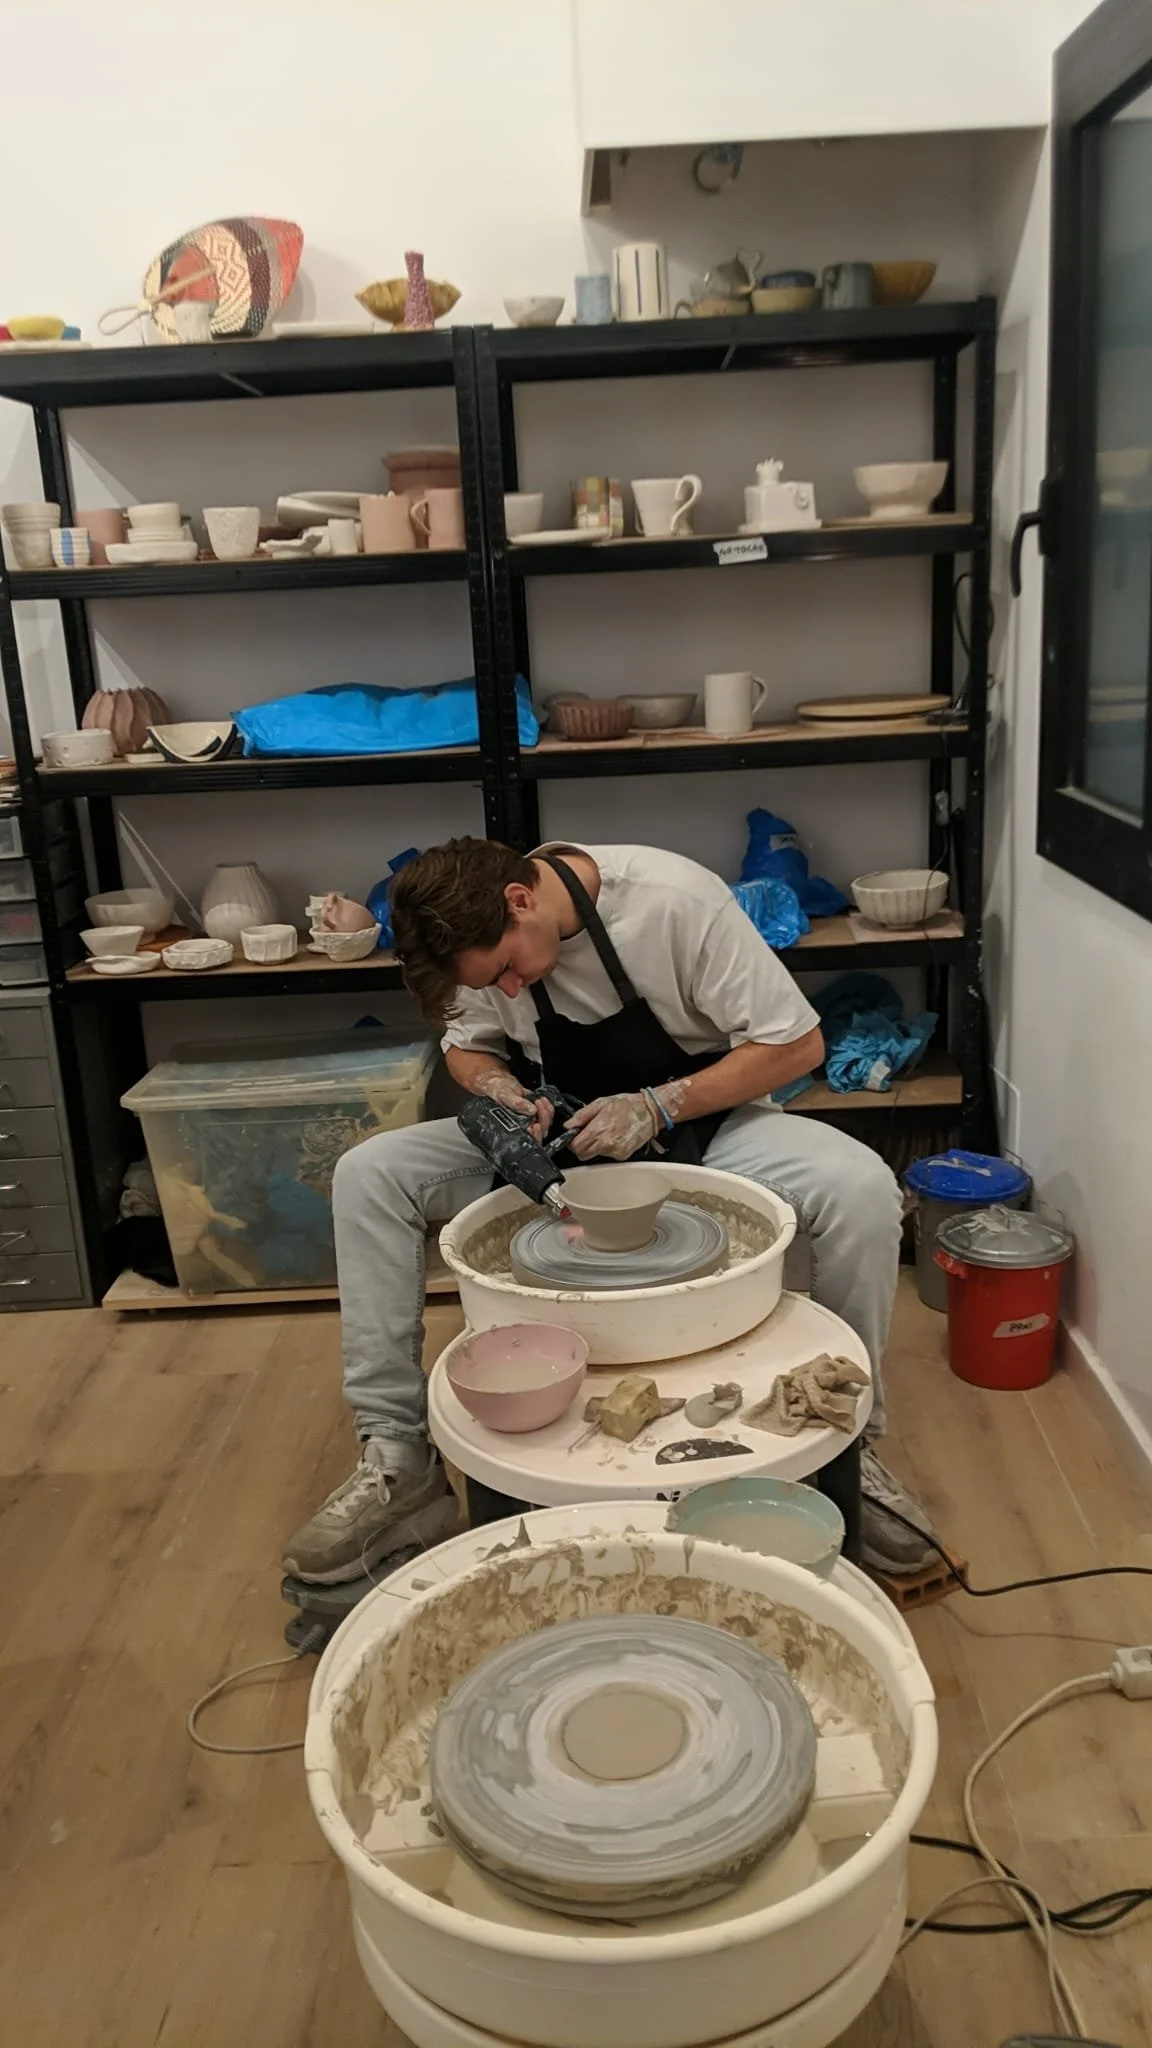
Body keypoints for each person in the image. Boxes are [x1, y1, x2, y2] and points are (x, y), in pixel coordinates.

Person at [282, 838, 937, 1584]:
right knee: (370, 1173)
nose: (507, 989)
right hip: (561, 1132)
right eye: (492, 983)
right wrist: (497, 1087)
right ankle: (397, 1456)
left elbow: (797, 1043)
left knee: (860, 1187)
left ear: (520, 900)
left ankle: (853, 1444)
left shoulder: (671, 901)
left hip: (705, 1123)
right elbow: (466, 1048)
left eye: (506, 971)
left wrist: (659, 1105)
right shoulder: (463, 931)